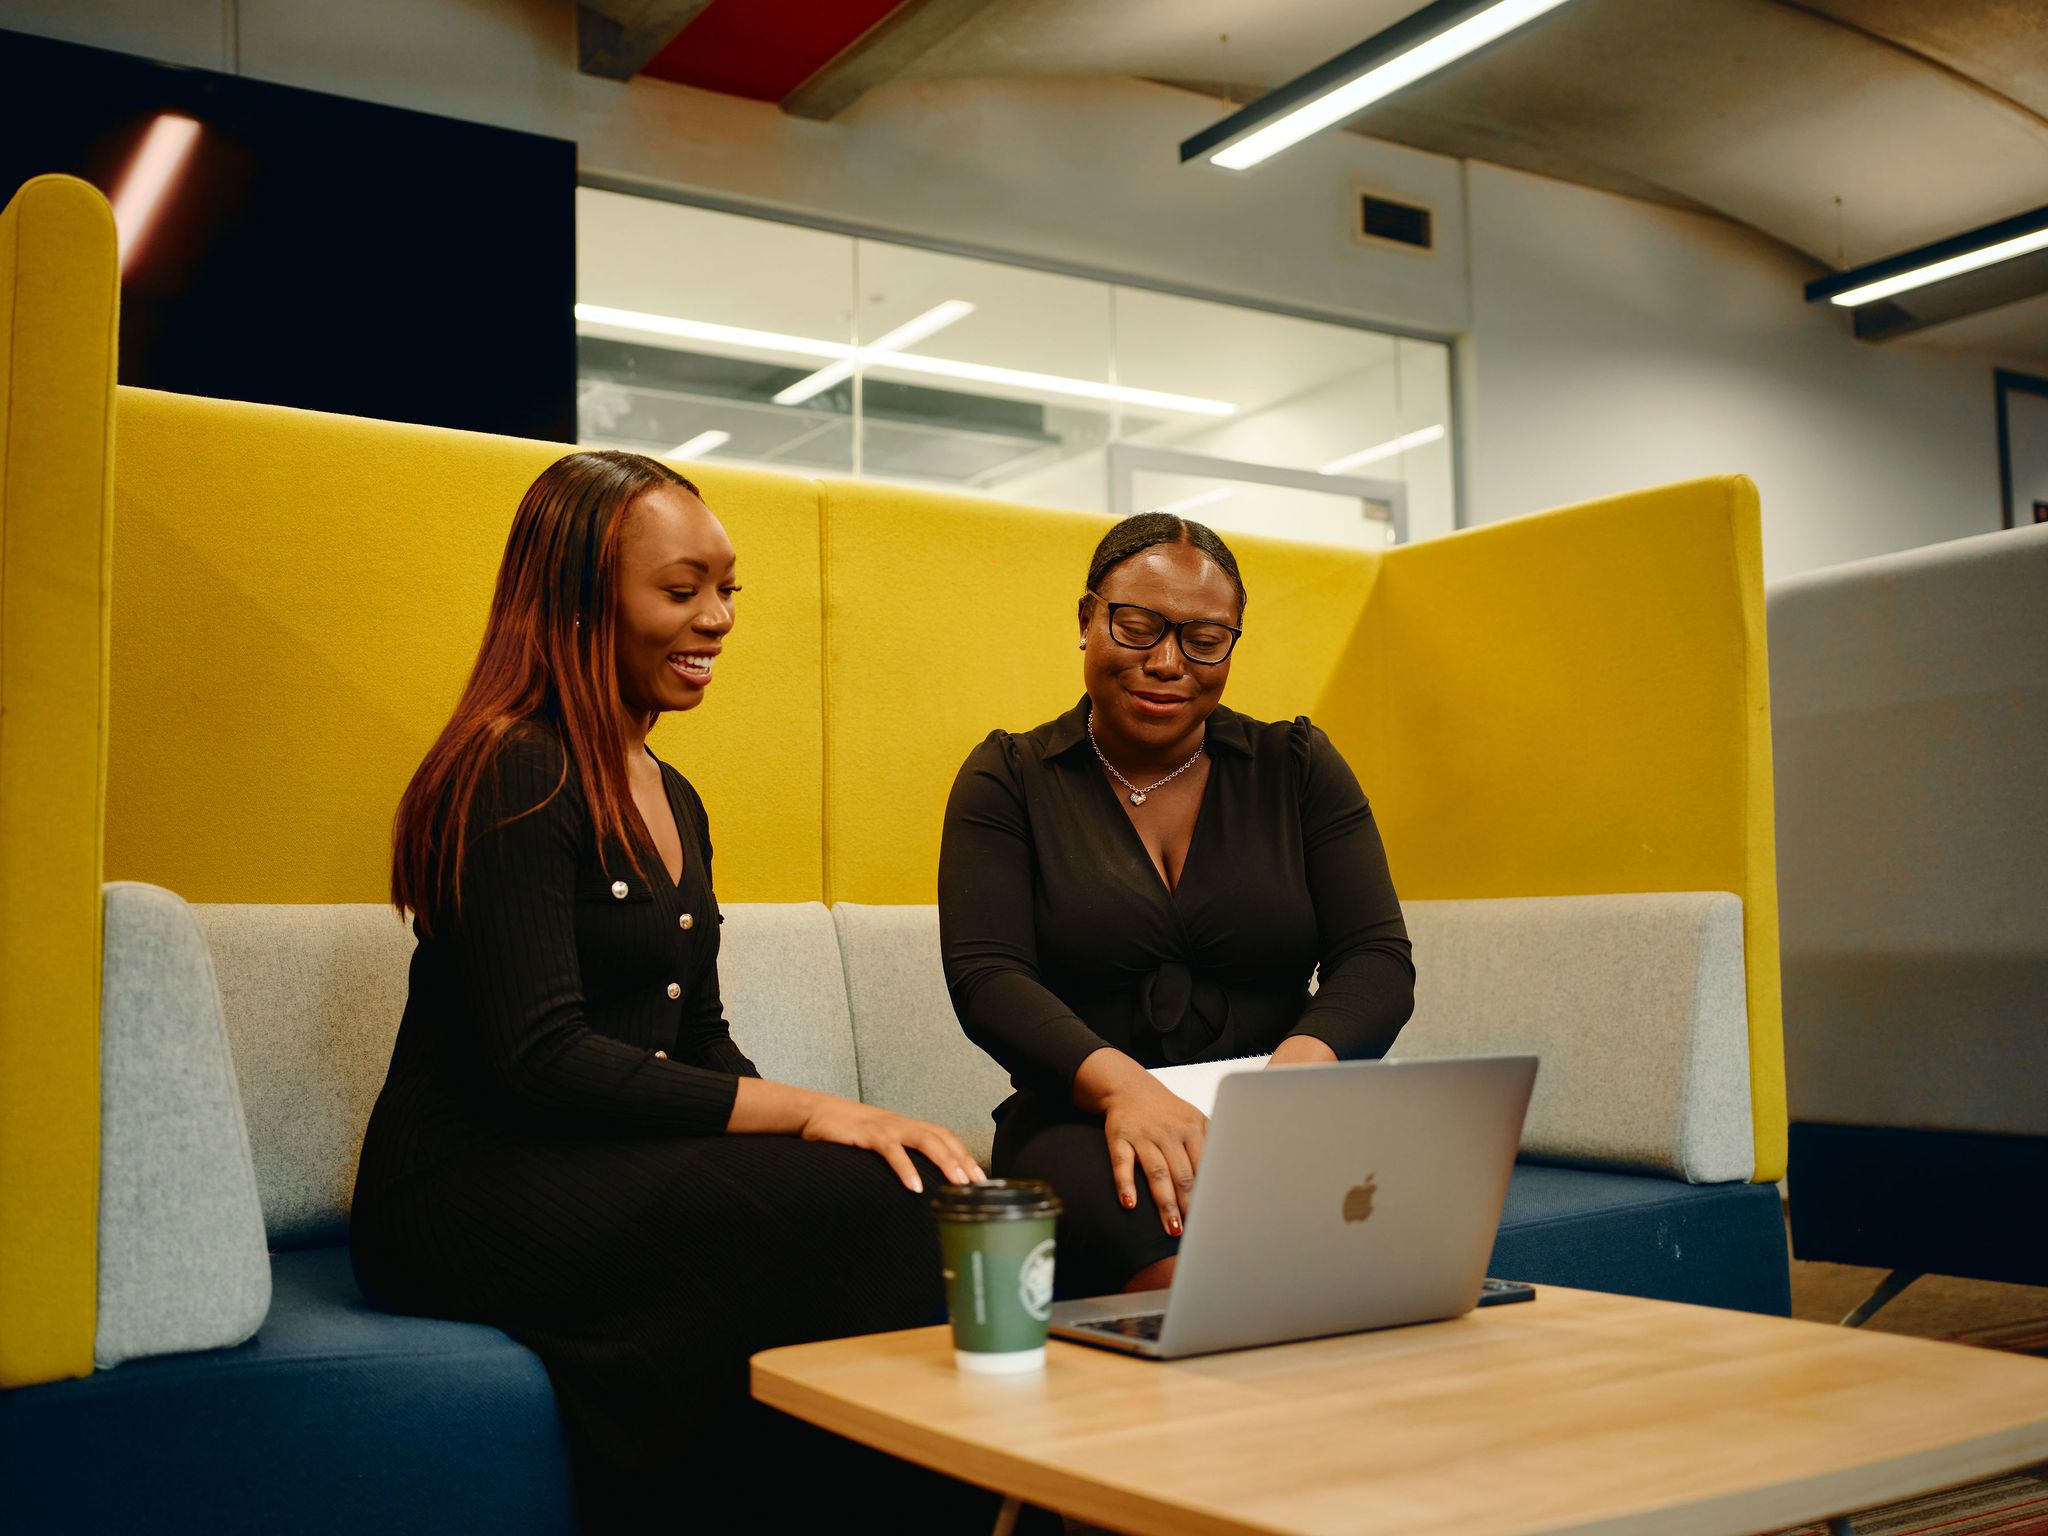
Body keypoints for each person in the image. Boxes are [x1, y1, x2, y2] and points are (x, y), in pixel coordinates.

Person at [350, 450, 992, 1530]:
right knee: (849, 1208)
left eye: (727, 589)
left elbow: (696, 1036)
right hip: (463, 1185)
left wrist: (813, 1135)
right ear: (576, 604)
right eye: (681, 589)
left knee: (901, 1189)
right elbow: (539, 1057)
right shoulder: (509, 767)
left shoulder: (673, 794)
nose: (717, 619)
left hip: (595, 1158)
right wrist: (809, 1111)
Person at [938, 511, 1416, 1301]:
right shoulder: (1010, 777)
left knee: (1406, 1261)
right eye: (1137, 627)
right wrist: (1125, 1087)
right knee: (1194, 1270)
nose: (1167, 662)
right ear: (1087, 619)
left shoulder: (1296, 767)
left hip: (1281, 1108)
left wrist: (1294, 1074)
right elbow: (987, 977)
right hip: (1083, 1119)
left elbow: (1377, 960)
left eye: (1203, 639)